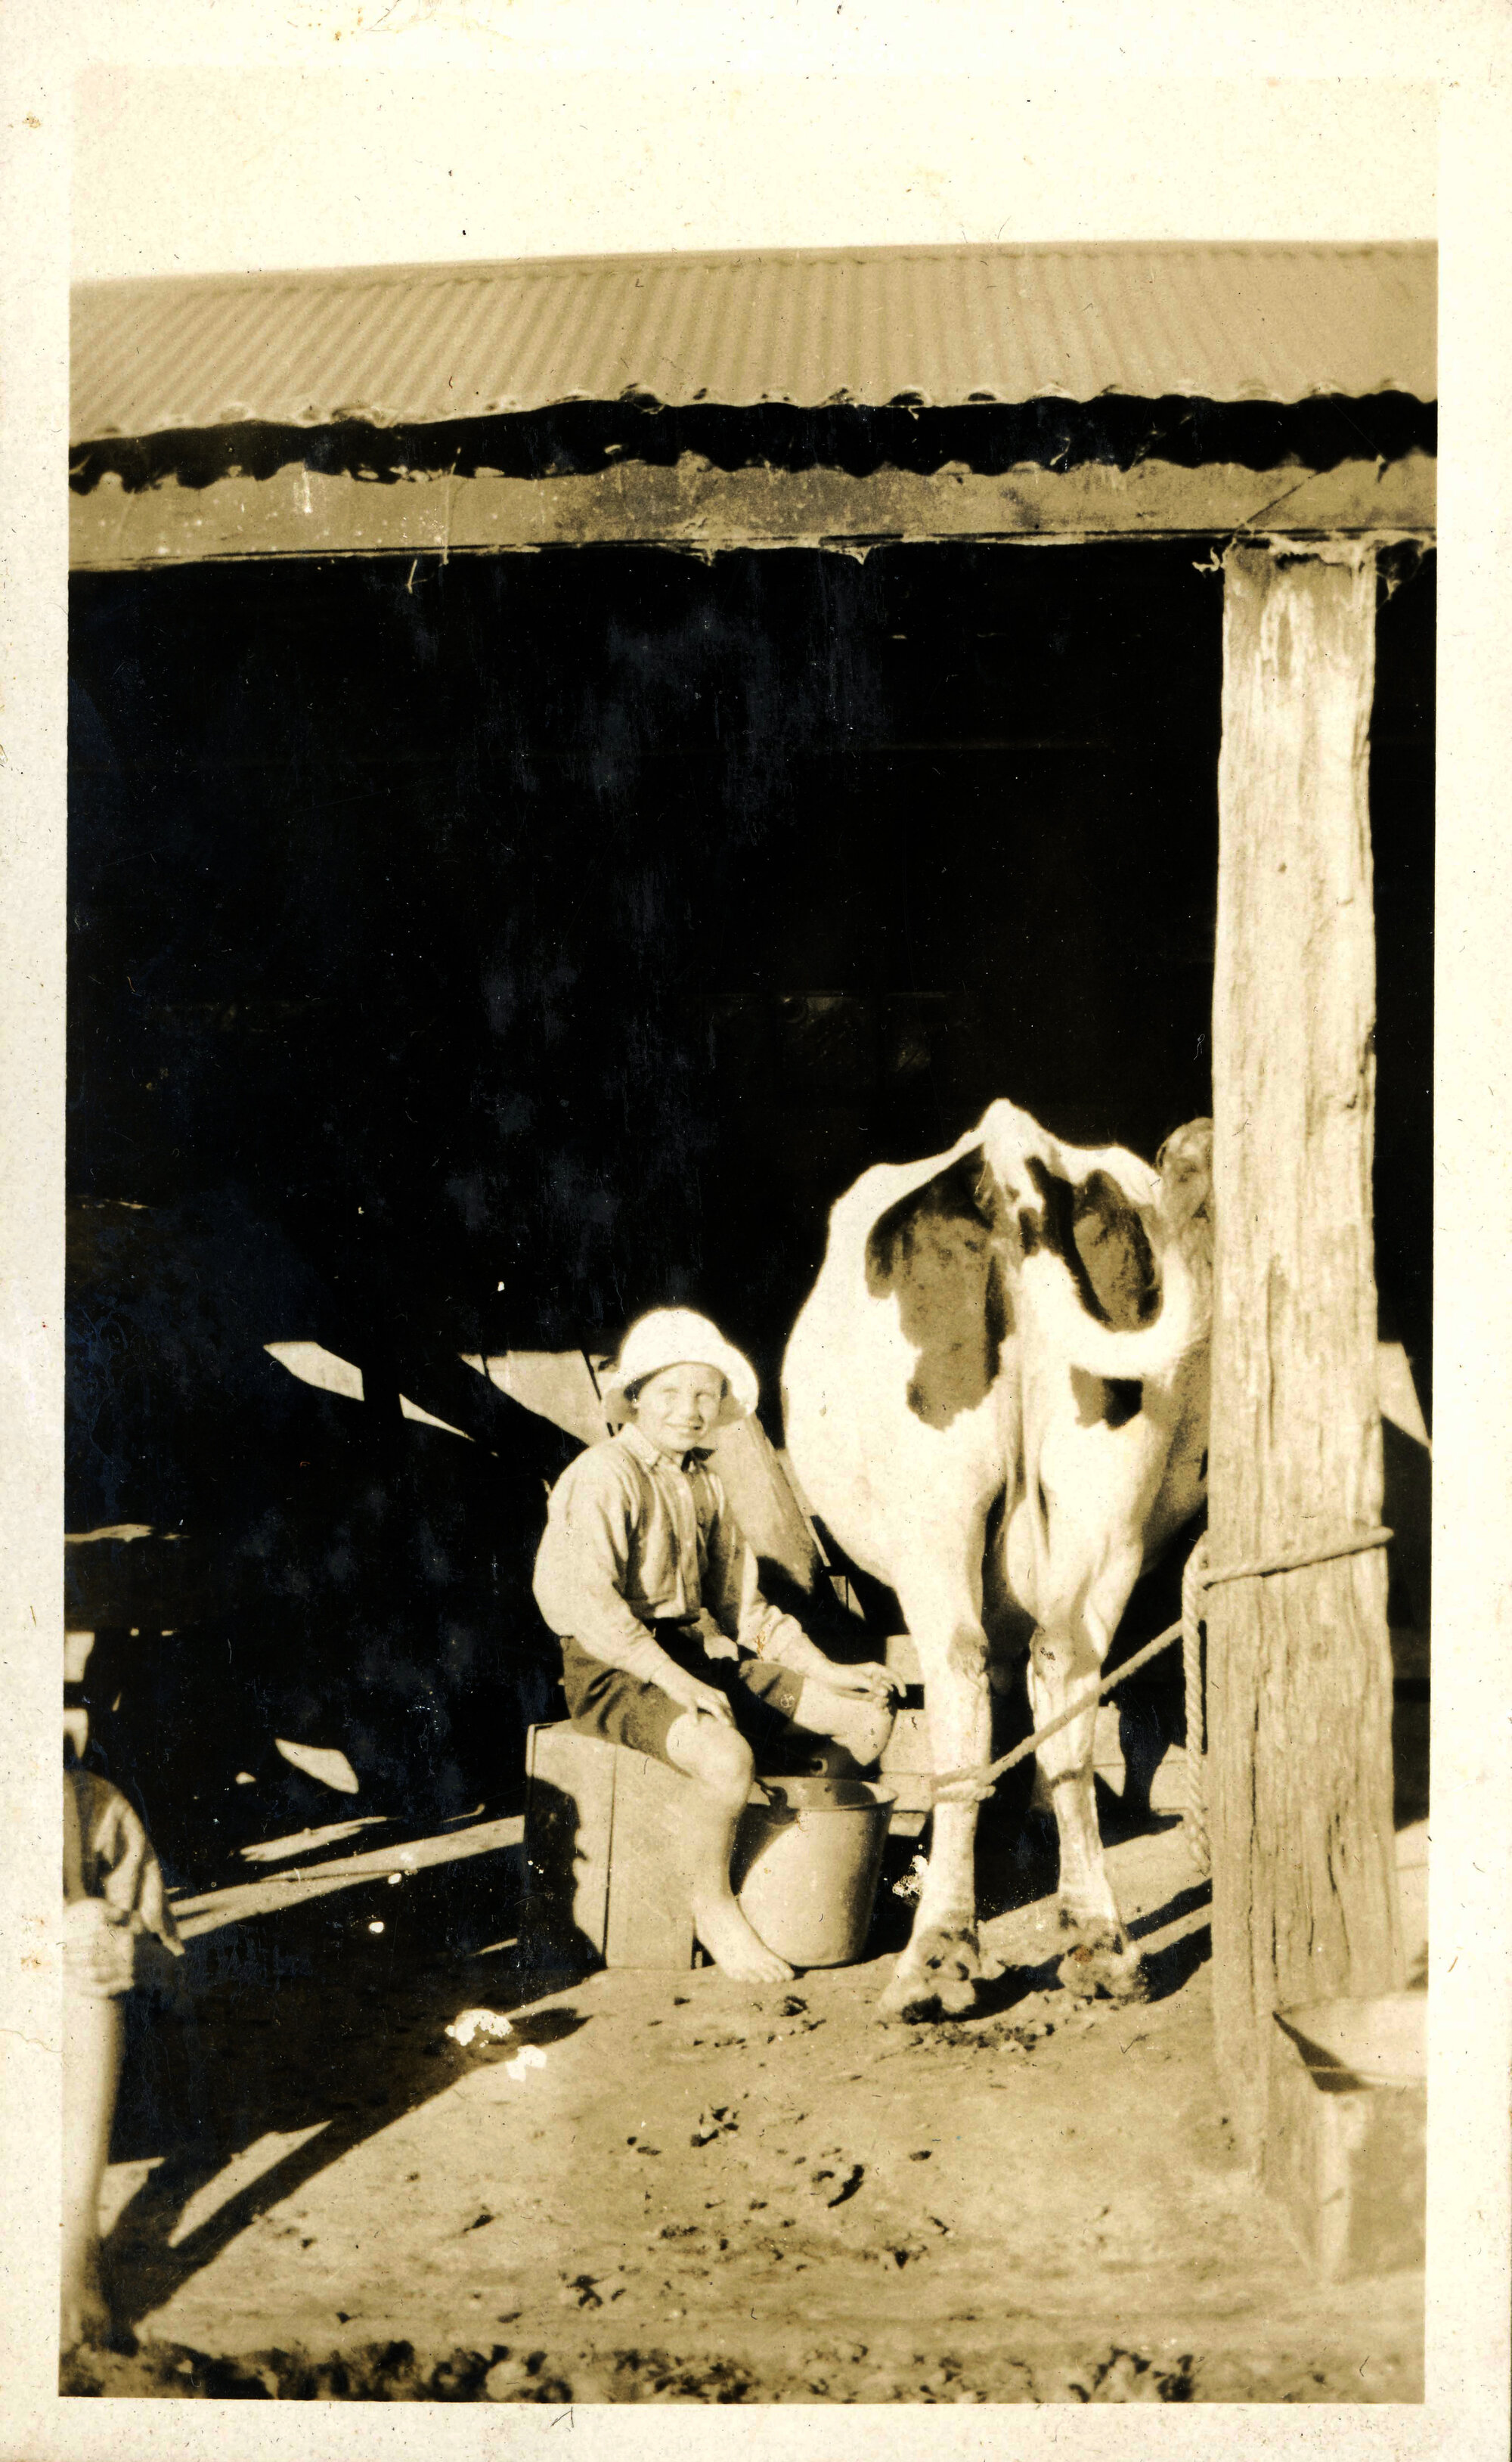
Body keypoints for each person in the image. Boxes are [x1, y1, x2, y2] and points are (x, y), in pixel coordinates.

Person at [533, 1308, 898, 1983]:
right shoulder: (604, 1475)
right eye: (669, 1393)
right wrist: (675, 1681)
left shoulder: (704, 1484)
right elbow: (587, 1606)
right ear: (635, 1399)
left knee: (867, 1716)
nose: (689, 1411)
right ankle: (714, 1905)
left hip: (694, 1659)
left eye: (705, 1393)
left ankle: (782, 1870)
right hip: (614, 1667)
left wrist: (827, 1670)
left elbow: (744, 1609)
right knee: (727, 1757)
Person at [61, 1760, 184, 2355]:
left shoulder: (88, 1804)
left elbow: (171, 1973)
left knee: (89, 1929)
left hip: (63, 2090)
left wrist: (137, 1955)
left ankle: (74, 2243)